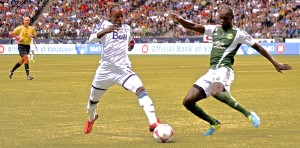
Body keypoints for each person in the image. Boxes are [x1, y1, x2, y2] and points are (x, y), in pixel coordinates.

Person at [169, 5, 292, 136]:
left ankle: (248, 113)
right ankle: (214, 123)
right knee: (187, 101)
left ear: (232, 17)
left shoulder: (239, 33)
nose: (222, 20)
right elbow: (193, 26)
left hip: (224, 69)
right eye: (220, 18)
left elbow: (258, 47)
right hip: (211, 72)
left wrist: (275, 63)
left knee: (216, 92)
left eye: (225, 18)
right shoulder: (214, 30)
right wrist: (180, 20)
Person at [84, 4, 160, 134]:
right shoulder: (103, 25)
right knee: (92, 102)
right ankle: (91, 118)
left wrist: (131, 44)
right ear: (110, 16)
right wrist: (105, 31)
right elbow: (90, 40)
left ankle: (153, 122)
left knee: (140, 89)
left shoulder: (126, 28)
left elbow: (130, 40)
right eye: (116, 17)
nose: (120, 20)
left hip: (122, 70)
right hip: (105, 71)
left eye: (121, 17)